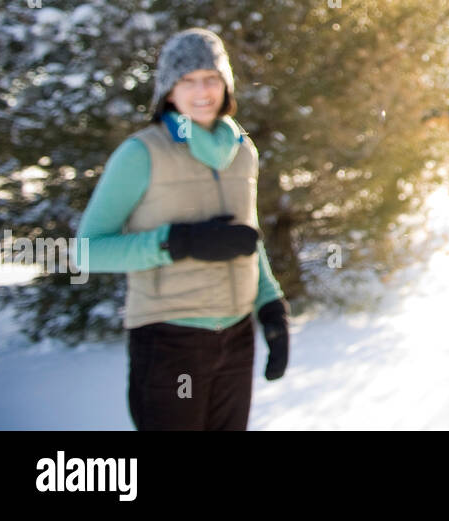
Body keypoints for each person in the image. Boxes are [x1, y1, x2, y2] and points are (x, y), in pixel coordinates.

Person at [76, 27, 289, 430]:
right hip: (169, 338)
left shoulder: (242, 150)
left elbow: (246, 237)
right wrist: (175, 243)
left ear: (226, 85)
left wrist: (270, 305)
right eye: (187, 80)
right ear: (168, 92)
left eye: (211, 78)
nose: (201, 91)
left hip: (236, 336)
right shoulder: (142, 153)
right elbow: (87, 250)